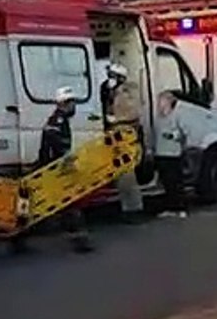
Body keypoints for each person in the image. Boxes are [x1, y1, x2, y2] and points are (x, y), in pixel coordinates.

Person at [37, 86, 95, 253]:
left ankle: (77, 238)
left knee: (64, 205)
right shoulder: (58, 121)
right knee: (71, 205)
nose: (74, 106)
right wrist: (68, 162)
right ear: (64, 104)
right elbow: (57, 146)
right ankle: (80, 241)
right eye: (72, 103)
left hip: (53, 166)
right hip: (59, 168)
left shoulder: (56, 120)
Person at [101, 62, 146, 223]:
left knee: (127, 175)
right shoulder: (112, 91)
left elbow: (131, 113)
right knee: (121, 175)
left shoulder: (128, 92)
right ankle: (128, 208)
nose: (109, 78)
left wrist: (113, 119)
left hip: (126, 138)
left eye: (112, 76)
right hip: (116, 137)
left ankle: (134, 209)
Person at [154, 91, 188, 218]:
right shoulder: (158, 118)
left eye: (162, 101)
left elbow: (183, 132)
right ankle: (169, 207)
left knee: (176, 182)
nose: (159, 103)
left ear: (169, 102)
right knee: (166, 183)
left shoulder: (176, 115)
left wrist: (172, 135)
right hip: (161, 153)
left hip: (173, 154)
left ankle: (180, 208)